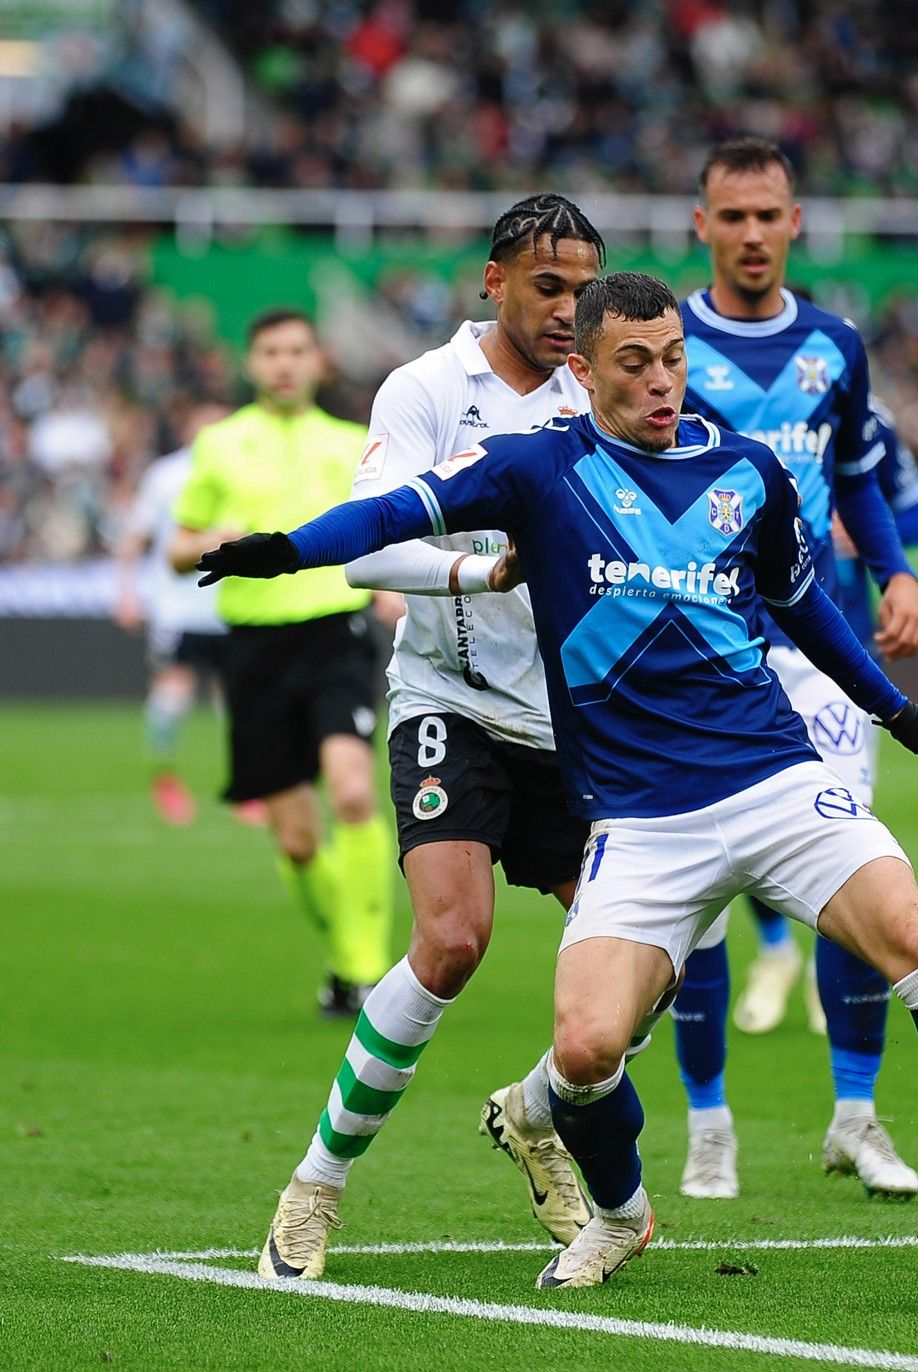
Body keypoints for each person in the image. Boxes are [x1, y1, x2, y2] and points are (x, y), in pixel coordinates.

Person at [198, 271, 918, 1292]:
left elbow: (808, 607)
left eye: (673, 359)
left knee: (917, 943)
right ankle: (614, 1213)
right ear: (582, 370)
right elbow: (390, 514)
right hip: (641, 820)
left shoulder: (745, 471)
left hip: (773, 777)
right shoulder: (536, 469)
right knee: (588, 1047)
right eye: (633, 363)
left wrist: (898, 714)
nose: (660, 383)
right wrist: (285, 551)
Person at [238, 196, 607, 1281]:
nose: (568, 310)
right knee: (452, 938)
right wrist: (479, 569)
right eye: (549, 287)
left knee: (638, 970)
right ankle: (316, 1183)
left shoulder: (607, 387)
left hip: (576, 722)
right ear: (492, 281)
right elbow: (368, 553)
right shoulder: (430, 390)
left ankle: (533, 1112)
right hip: (448, 695)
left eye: (584, 289)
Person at [670, 137, 918, 1202]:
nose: (750, 234)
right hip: (691, 649)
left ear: (795, 221)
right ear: (701, 226)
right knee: (693, 900)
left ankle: (856, 1116)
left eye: (767, 214)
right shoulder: (662, 340)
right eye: (730, 216)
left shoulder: (835, 345)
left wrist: (898, 573)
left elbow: (859, 475)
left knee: (852, 879)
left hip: (820, 650)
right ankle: (708, 1125)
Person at [170, 309, 396, 1018]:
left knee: (355, 793)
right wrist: (214, 537)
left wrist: (390, 586)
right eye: (271, 351)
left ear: (318, 360)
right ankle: (347, 963)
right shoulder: (219, 444)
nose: (285, 363)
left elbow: (389, 525)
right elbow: (178, 550)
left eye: (297, 350)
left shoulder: (356, 443)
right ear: (251, 363)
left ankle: (365, 970)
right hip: (257, 646)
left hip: (336, 631)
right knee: (297, 838)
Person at [114, 400, 232, 826]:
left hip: (231, 607)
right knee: (173, 693)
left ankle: (246, 785)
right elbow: (134, 538)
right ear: (188, 429)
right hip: (178, 609)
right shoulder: (166, 475)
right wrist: (126, 593)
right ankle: (164, 778)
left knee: (236, 699)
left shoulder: (243, 471)